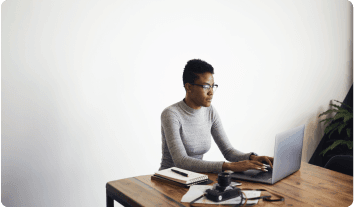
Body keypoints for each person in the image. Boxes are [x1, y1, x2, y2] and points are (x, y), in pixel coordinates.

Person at [159, 59, 273, 173]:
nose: (211, 92)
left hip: (195, 178)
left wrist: (252, 158)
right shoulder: (171, 114)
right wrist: (229, 166)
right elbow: (181, 161)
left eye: (213, 86)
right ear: (188, 87)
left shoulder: (210, 111)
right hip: (169, 179)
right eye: (206, 86)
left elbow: (228, 151)